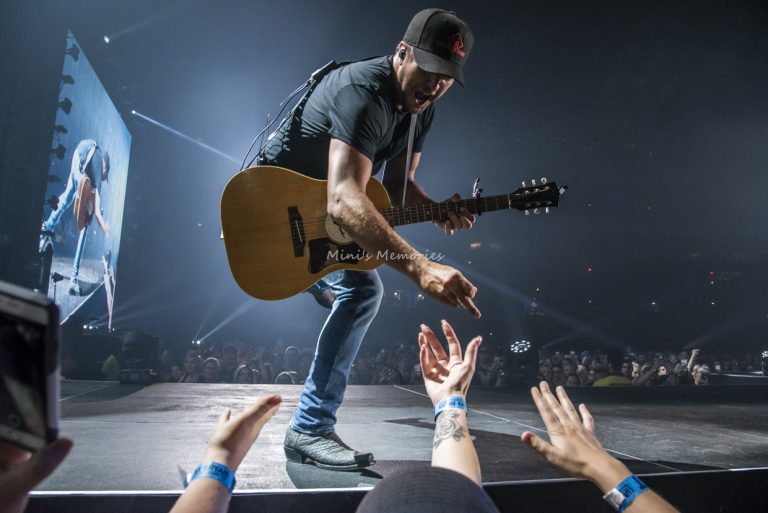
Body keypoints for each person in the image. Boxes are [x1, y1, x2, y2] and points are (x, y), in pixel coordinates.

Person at [260, 8, 480, 470]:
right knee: (363, 291)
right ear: (402, 53)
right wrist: (422, 268)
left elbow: (397, 190)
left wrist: (438, 208)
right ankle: (309, 428)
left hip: (325, 218)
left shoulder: (421, 109)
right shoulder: (364, 92)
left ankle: (319, 281)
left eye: (447, 77)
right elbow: (344, 199)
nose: (436, 85)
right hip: (273, 210)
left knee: (355, 284)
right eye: (430, 70)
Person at [41, 139, 110, 296]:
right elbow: (97, 210)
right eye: (105, 176)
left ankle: (47, 227)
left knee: (67, 198)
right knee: (86, 224)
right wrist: (104, 225)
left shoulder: (97, 158)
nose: (104, 179)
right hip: (83, 160)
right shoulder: (99, 169)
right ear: (105, 167)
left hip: (79, 154)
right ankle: (73, 280)